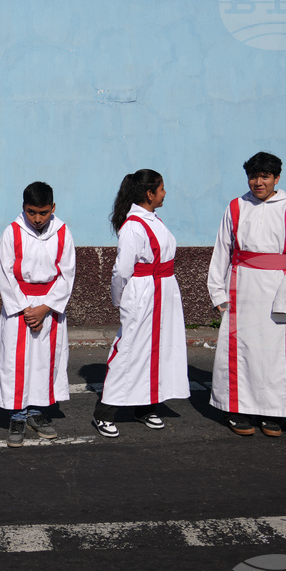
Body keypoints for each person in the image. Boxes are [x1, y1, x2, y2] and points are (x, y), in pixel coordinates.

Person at [206, 153, 286, 437]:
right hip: (241, 287)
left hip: (276, 289)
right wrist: (218, 293)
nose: (258, 182)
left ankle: (272, 413)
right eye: (253, 176)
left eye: (265, 176)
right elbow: (222, 250)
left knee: (273, 355)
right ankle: (237, 409)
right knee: (240, 351)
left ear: (277, 178)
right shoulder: (237, 206)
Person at [93, 170, 189, 438]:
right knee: (130, 349)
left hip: (163, 292)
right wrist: (120, 300)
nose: (165, 192)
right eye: (161, 188)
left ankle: (145, 406)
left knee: (157, 349)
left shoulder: (153, 219)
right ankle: (104, 413)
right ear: (150, 193)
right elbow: (121, 270)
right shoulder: (134, 226)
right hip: (144, 294)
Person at [0, 181, 76, 448]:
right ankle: (17, 415)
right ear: (23, 208)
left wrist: (46, 307)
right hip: (19, 308)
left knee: (44, 361)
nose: (38, 219)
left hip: (49, 307)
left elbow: (67, 273)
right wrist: (25, 308)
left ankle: (36, 411)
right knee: (16, 362)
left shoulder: (62, 232)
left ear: (53, 207)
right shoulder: (12, 232)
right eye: (32, 212)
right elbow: (4, 272)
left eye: (43, 212)